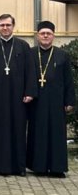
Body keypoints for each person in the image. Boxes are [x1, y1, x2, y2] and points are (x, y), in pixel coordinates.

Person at [0, 14, 37, 176]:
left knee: (18, 129)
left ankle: (19, 167)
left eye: (8, 25)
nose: (5, 28)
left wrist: (30, 92)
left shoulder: (23, 46)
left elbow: (31, 71)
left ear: (13, 26)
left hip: (19, 96)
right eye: (2, 25)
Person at [27, 21, 76, 178]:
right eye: (43, 33)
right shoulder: (31, 53)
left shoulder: (62, 55)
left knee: (56, 134)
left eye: (49, 33)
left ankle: (57, 168)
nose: (46, 36)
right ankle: (38, 167)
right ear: (38, 35)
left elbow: (68, 80)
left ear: (53, 36)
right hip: (37, 101)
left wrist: (69, 102)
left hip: (56, 101)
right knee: (38, 132)